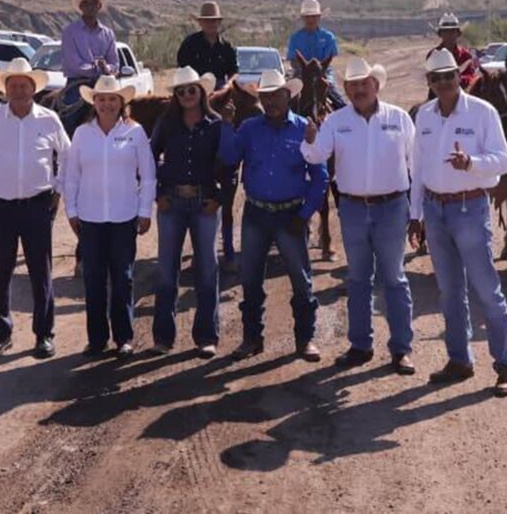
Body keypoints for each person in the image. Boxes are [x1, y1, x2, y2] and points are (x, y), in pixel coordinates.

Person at [413, 49, 507, 397]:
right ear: (429, 82)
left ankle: (506, 365)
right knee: (449, 292)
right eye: (437, 78)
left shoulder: (482, 112)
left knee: (486, 289)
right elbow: (418, 168)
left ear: (459, 77)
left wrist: (471, 163)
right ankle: (459, 360)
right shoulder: (424, 115)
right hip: (435, 210)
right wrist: (415, 215)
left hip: (468, 208)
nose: (444, 82)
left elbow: (504, 161)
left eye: (449, 76)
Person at [302, 57, 416, 372]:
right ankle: (360, 345)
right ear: (347, 89)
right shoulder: (335, 121)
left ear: (375, 85)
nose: (359, 90)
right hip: (352, 207)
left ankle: (401, 348)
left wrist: (417, 211)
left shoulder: (399, 118)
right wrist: (309, 141)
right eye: (352, 85)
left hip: (392, 207)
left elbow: (415, 164)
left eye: (364, 84)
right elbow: (317, 156)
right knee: (357, 278)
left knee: (394, 278)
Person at [0, 58, 70, 360]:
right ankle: (1, 333)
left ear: (33, 88)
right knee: (1, 271)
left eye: (23, 85)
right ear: (6, 89)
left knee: (40, 271)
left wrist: (58, 188)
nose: (18, 90)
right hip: (1, 206)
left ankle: (44, 334)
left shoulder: (49, 119)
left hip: (37, 204)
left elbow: (67, 155)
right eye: (13, 85)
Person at [227, 68, 326, 362]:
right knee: (250, 279)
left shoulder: (304, 129)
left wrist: (305, 214)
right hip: (256, 212)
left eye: (276, 95)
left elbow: (320, 176)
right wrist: (226, 126)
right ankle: (251, 338)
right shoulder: (248, 128)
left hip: (290, 213)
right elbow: (230, 159)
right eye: (266, 96)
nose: (271, 102)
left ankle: (305, 339)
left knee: (301, 279)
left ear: (288, 95)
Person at [62, 74, 155, 358]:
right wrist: (71, 211)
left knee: (123, 278)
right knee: (93, 279)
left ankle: (124, 337)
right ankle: (97, 339)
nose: (106, 104)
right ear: (94, 102)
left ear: (121, 102)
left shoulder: (135, 132)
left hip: (124, 216)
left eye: (112, 99)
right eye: (101, 99)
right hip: (90, 217)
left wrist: (144, 211)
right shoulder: (82, 134)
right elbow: (71, 176)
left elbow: (148, 175)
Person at [149, 66, 237, 357]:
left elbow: (229, 165)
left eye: (191, 89)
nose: (187, 95)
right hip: (171, 202)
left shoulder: (216, 124)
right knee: (166, 269)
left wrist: (220, 198)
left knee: (207, 268)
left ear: (201, 92)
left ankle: (206, 336)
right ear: (175, 95)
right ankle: (163, 337)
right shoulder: (167, 123)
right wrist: (157, 193)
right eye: (181, 91)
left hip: (204, 203)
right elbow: (149, 157)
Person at [58, 0, 120, 131]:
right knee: (70, 115)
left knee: (123, 114)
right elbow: (73, 64)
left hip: (104, 83)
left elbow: (115, 63)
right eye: (86, 3)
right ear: (81, 7)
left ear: (99, 6)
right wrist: (97, 68)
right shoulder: (70, 32)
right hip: (78, 84)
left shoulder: (108, 33)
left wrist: (107, 68)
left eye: (93, 3)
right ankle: (68, 140)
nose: (90, 7)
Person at [286, 0, 345, 109]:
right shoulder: (295, 38)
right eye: (307, 17)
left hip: (323, 72)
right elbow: (293, 60)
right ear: (303, 18)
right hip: (301, 73)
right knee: (286, 99)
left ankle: (346, 113)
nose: (311, 20)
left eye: (314, 16)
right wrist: (306, 70)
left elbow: (329, 58)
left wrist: (318, 71)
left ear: (319, 17)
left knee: (336, 96)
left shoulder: (328, 37)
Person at [176, 2, 239, 88]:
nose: (210, 24)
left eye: (213, 21)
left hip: (220, 90)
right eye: (206, 21)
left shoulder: (227, 47)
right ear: (200, 23)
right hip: (195, 88)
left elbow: (234, 71)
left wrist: (228, 85)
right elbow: (182, 68)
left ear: (219, 22)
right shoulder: (190, 43)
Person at [430, 13, 479, 93]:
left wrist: (455, 80)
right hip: (438, 94)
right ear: (440, 34)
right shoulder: (433, 55)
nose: (449, 35)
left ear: (458, 34)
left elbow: (471, 77)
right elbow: (431, 77)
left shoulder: (466, 55)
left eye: (452, 31)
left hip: (463, 93)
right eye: (446, 31)